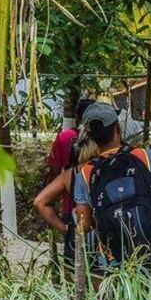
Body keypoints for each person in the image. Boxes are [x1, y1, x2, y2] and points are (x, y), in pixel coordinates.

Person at [72, 102, 151, 268]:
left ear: (90, 136)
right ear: (117, 128)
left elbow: (85, 224)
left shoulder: (85, 174)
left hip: (113, 260)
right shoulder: (146, 156)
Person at [34, 128, 99, 264]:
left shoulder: (71, 174)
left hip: (78, 231)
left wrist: (64, 228)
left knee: (75, 276)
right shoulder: (106, 168)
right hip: (104, 234)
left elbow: (40, 201)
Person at [41, 97, 95, 261]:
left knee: (74, 260)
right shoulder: (102, 140)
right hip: (98, 207)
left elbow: (55, 171)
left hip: (72, 206)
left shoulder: (65, 138)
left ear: (77, 118)